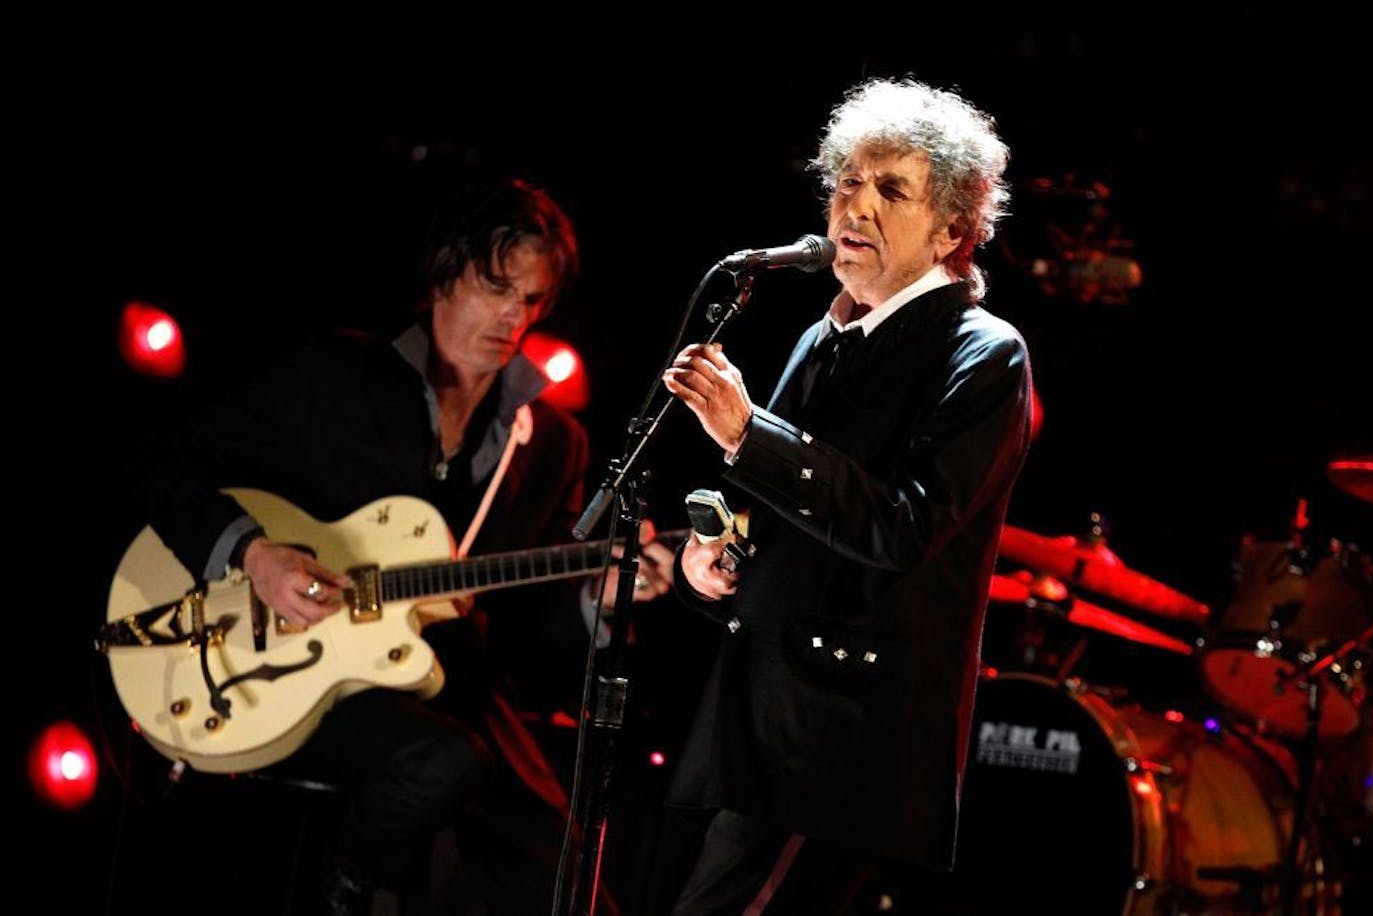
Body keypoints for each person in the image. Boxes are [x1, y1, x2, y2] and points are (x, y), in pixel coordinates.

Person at [120, 176, 674, 915]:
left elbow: (527, 630)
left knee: (572, 890)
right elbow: (159, 459)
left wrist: (594, 603)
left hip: (458, 697)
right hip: (297, 679)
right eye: (495, 286)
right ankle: (344, 895)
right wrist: (253, 555)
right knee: (439, 765)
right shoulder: (335, 381)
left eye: (532, 299)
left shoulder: (550, 446)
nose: (514, 315)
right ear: (446, 271)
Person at [660, 77, 1034, 914]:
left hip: (847, 739)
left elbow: (904, 528)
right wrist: (711, 556)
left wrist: (748, 435)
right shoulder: (822, 336)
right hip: (758, 716)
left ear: (952, 230)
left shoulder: (983, 353)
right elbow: (775, 512)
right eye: (846, 183)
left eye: (890, 190)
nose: (854, 207)